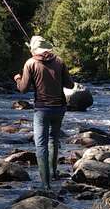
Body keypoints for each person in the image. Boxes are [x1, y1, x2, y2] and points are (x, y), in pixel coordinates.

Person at [14, 35, 74, 189]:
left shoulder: (30, 63)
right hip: (59, 108)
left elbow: (23, 89)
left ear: (34, 49)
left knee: (41, 145)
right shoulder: (59, 61)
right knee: (53, 139)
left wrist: (17, 78)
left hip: (41, 110)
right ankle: (53, 173)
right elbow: (70, 85)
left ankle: (46, 185)